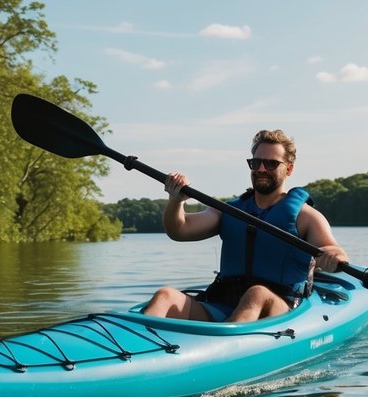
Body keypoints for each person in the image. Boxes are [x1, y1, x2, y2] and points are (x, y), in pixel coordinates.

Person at [143, 128, 349, 323]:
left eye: (271, 164)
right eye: (256, 162)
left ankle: (224, 349)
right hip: (224, 305)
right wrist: (176, 200)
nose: (261, 169)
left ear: (289, 169)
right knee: (166, 296)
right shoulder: (230, 210)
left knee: (257, 293)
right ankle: (136, 351)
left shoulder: (306, 217)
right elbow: (180, 229)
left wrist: (334, 257)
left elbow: (332, 248)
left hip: (281, 309)